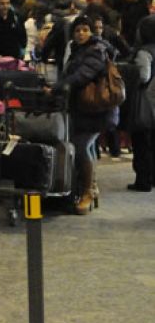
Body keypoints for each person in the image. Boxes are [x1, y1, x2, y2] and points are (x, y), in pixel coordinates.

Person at [46, 16, 113, 215]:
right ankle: (90, 188)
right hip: (84, 108)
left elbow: (82, 75)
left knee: (81, 146)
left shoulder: (96, 50)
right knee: (87, 146)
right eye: (77, 30)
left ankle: (87, 192)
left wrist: (57, 88)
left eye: (85, 29)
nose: (81, 33)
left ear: (92, 31)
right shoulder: (78, 49)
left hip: (96, 109)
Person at [128, 16, 155, 192]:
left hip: (147, 103)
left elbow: (143, 76)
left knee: (142, 143)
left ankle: (143, 180)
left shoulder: (144, 52)